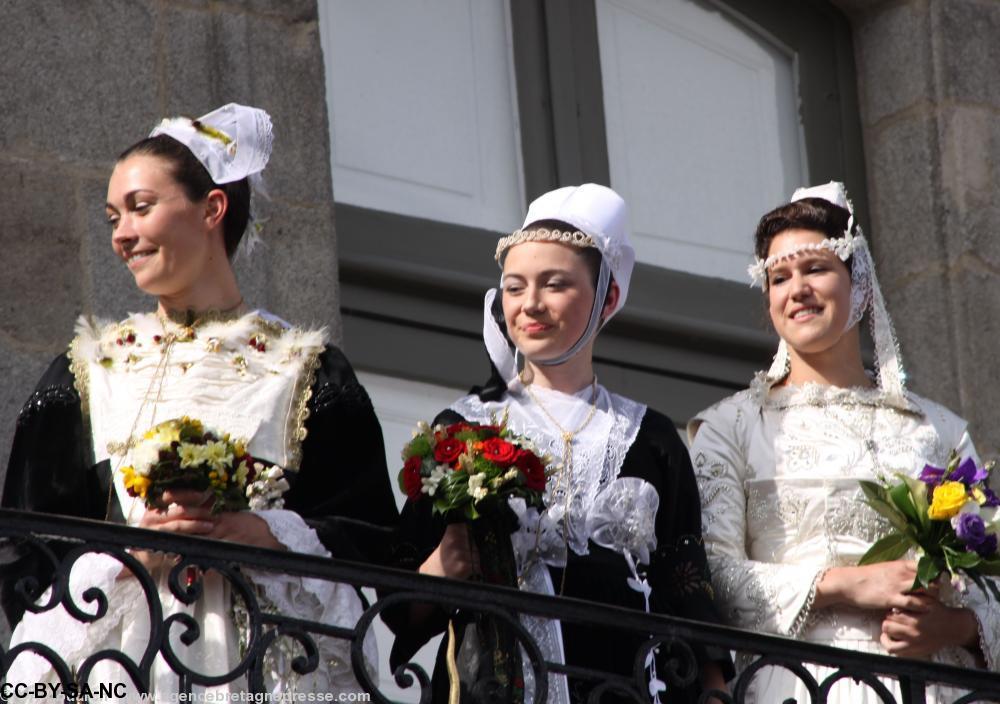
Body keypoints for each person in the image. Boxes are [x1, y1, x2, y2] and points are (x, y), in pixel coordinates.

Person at [2, 104, 397, 696]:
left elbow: (376, 546)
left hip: (265, 667)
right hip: (120, 672)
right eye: (113, 216)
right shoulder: (85, 372)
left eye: (140, 207)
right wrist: (134, 551)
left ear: (212, 208)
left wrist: (268, 535)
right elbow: (25, 556)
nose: (121, 235)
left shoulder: (305, 370)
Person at [385, 184, 733, 703]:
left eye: (554, 284)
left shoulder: (653, 438)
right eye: (514, 286)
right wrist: (443, 566)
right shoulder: (463, 429)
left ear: (607, 298)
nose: (530, 305)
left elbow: (685, 584)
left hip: (631, 686)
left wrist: (716, 692)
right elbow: (398, 601)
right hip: (497, 684)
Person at [688, 181, 1000, 702]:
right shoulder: (731, 427)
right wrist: (843, 584)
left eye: (815, 269)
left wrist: (955, 627)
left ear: (859, 283)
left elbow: (993, 576)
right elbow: (710, 577)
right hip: (800, 684)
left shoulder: (937, 428)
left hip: (934, 685)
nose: (797, 289)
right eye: (779, 277)